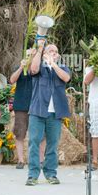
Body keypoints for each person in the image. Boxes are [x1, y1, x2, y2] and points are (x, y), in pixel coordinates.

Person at [25, 41, 71, 186]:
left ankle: (51, 174)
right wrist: (40, 50)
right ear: (45, 54)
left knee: (53, 144)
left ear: (58, 55)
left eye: (55, 51)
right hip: (38, 111)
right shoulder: (39, 67)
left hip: (55, 114)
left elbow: (66, 78)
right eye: (50, 51)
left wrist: (54, 64)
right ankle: (33, 175)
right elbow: (32, 69)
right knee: (34, 142)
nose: (53, 53)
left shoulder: (62, 67)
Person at [9, 49, 47, 169]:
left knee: (40, 135)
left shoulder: (40, 68)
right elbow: (12, 80)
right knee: (20, 133)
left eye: (33, 55)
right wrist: (21, 67)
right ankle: (21, 160)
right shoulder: (20, 67)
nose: (30, 57)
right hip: (21, 106)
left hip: (37, 106)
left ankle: (40, 160)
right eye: (28, 55)